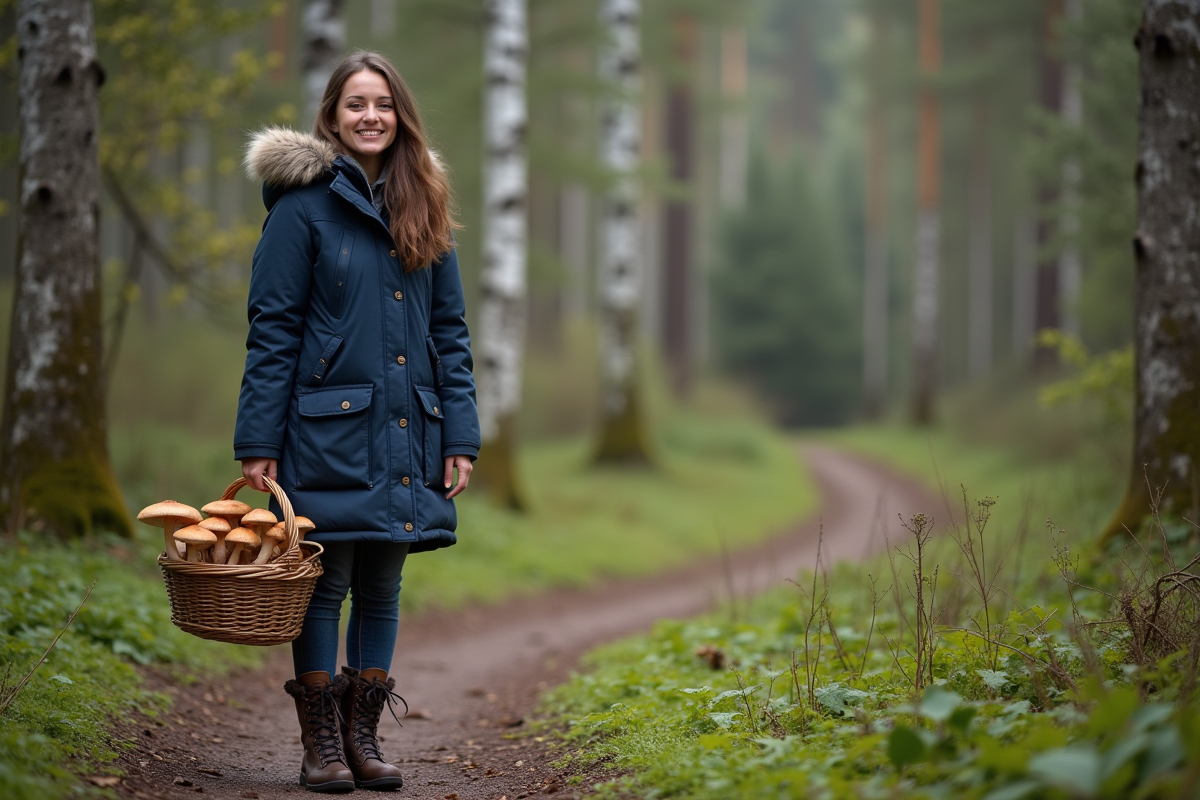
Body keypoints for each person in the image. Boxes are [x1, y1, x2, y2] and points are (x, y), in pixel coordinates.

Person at [235, 50, 480, 793]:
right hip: (324, 431)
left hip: (413, 427)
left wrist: (461, 433)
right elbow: (272, 330)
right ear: (332, 118)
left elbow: (451, 332)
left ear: (400, 115)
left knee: (384, 577)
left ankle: (363, 737)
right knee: (325, 577)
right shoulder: (300, 209)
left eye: (382, 103)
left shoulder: (426, 203)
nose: (369, 116)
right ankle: (322, 746)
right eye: (354, 104)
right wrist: (258, 440)